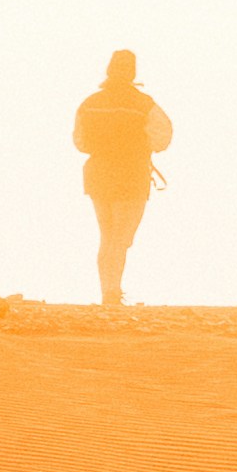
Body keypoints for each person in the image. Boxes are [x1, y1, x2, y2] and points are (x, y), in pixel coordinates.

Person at [76, 48, 171, 310]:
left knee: (107, 236)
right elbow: (163, 138)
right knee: (121, 237)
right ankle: (112, 294)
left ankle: (108, 292)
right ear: (133, 71)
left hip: (98, 175)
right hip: (131, 175)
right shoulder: (144, 104)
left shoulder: (90, 103)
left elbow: (80, 142)